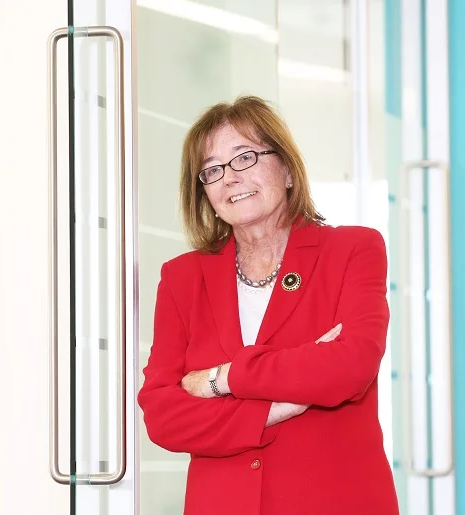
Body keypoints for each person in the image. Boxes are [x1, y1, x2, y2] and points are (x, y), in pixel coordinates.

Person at [137, 96, 398, 514]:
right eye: (212, 170)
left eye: (245, 157)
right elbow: (163, 417)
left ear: (288, 170)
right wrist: (280, 405)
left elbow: (352, 367)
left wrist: (222, 379)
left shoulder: (353, 250)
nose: (229, 178)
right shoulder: (182, 278)